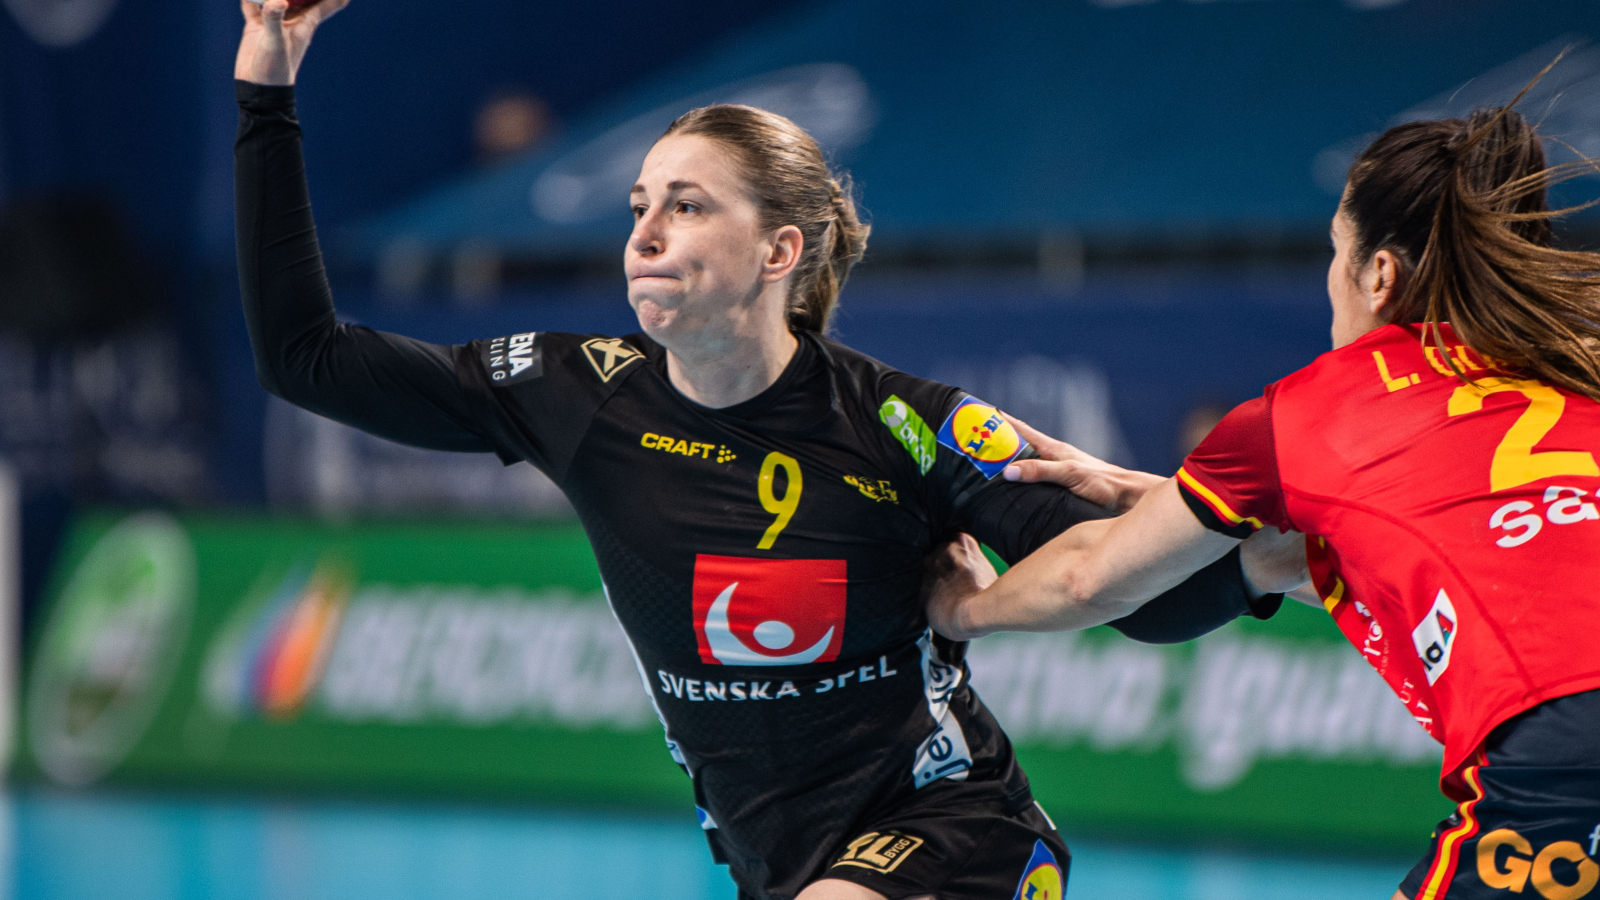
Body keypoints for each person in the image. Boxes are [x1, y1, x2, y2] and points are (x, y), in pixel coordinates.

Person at [231, 3, 1294, 898]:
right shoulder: (574, 393)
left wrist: (1264, 558)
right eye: (640, 206)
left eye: (687, 207)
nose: (644, 234)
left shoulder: (899, 422)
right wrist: (265, 93)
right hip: (779, 865)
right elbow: (305, 360)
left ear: (779, 249)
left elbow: (1131, 590)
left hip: (956, 830)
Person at [926, 89, 1600, 900]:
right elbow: (1442, 547)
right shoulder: (1571, 369)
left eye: (1334, 250)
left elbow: (1088, 581)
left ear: (1379, 275)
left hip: (1563, 756)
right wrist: (1151, 494)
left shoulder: (1314, 409)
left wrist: (962, 609)